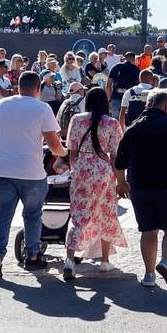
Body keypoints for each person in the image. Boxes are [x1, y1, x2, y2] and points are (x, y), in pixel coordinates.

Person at [0, 71, 68, 280]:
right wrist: (64, 153)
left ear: (18, 86)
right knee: (32, 215)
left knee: (2, 216)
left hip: (2, 169)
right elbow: (53, 143)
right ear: (38, 89)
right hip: (30, 171)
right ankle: (32, 256)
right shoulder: (42, 108)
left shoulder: (2, 104)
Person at [115, 89, 167, 288]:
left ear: (147, 105)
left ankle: (149, 274)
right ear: (166, 106)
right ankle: (166, 261)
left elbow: (119, 162)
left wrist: (121, 183)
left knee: (148, 230)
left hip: (140, 186)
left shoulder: (133, 128)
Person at [62, 88, 126, 280]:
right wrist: (120, 179)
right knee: (107, 213)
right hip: (103, 170)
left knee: (79, 216)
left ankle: (69, 260)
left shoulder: (77, 119)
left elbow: (71, 149)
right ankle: (105, 261)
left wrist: (76, 168)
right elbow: (115, 154)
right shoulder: (112, 123)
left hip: (81, 167)